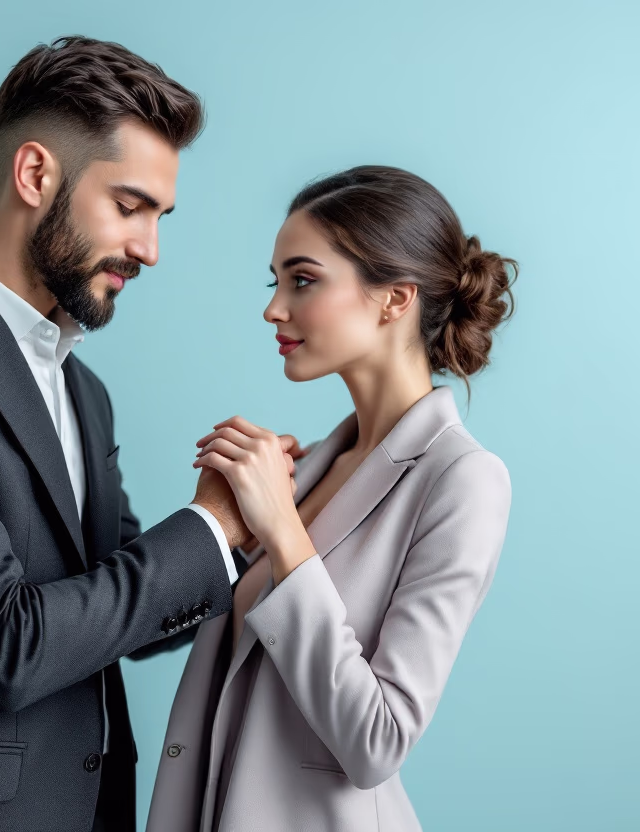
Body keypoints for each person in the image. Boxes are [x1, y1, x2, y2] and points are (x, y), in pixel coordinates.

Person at [0, 36, 298, 832]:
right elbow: (7, 648)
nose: (150, 249)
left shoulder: (84, 388)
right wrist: (212, 526)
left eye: (159, 216)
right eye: (130, 206)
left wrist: (262, 520)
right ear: (35, 174)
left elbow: (127, 612)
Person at [147, 165, 516, 831]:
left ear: (394, 299)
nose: (273, 307)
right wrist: (220, 527)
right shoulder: (309, 466)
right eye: (276, 280)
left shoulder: (463, 479)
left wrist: (285, 536)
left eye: (303, 279)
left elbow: (378, 741)